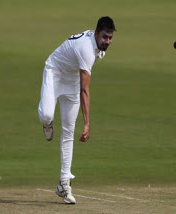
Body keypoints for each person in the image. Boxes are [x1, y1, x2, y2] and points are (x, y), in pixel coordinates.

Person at [38, 16, 116, 204]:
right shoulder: (86, 49)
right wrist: (87, 123)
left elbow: (80, 84)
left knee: (68, 132)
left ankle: (64, 184)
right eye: (105, 37)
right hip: (54, 71)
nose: (107, 41)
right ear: (96, 34)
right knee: (47, 114)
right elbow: (85, 90)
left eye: (110, 38)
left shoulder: (97, 46)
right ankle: (47, 124)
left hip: (72, 78)